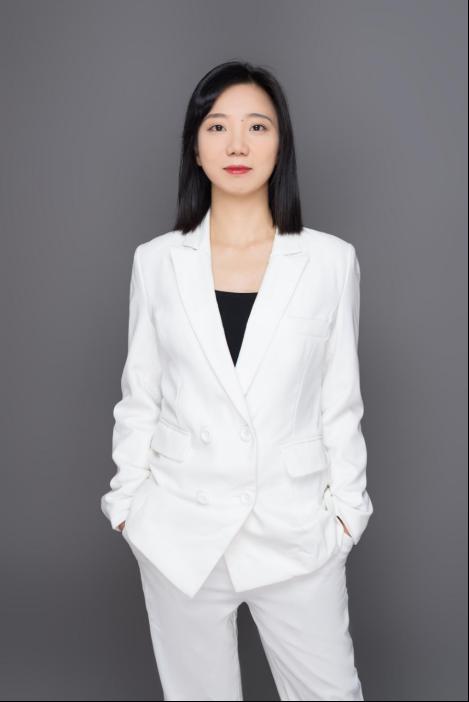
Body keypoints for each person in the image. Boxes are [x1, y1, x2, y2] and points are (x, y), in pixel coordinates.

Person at [100, 60, 373, 701]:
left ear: (281, 144)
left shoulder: (330, 262)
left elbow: (340, 401)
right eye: (218, 126)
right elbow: (140, 395)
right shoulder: (157, 262)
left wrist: (348, 515)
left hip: (295, 529)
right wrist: (127, 505)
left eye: (257, 126)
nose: (238, 145)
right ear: (196, 147)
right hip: (179, 530)